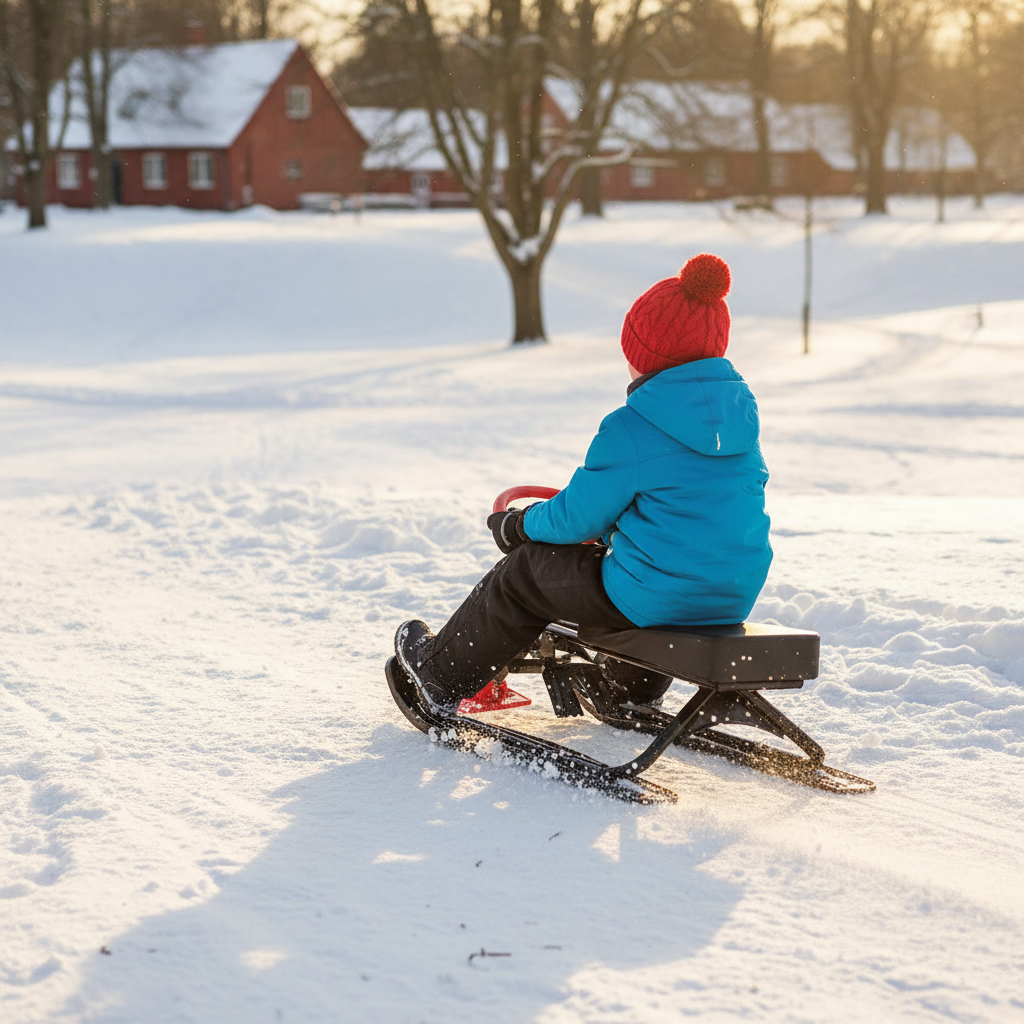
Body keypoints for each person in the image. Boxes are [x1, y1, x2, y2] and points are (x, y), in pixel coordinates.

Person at [395, 253, 773, 715]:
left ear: (642, 355)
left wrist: (518, 527)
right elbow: (687, 510)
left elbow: (577, 517)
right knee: (651, 573)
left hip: (656, 592)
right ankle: (626, 689)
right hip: (733, 592)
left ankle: (439, 674)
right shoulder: (741, 423)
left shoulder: (633, 426)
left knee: (528, 572)